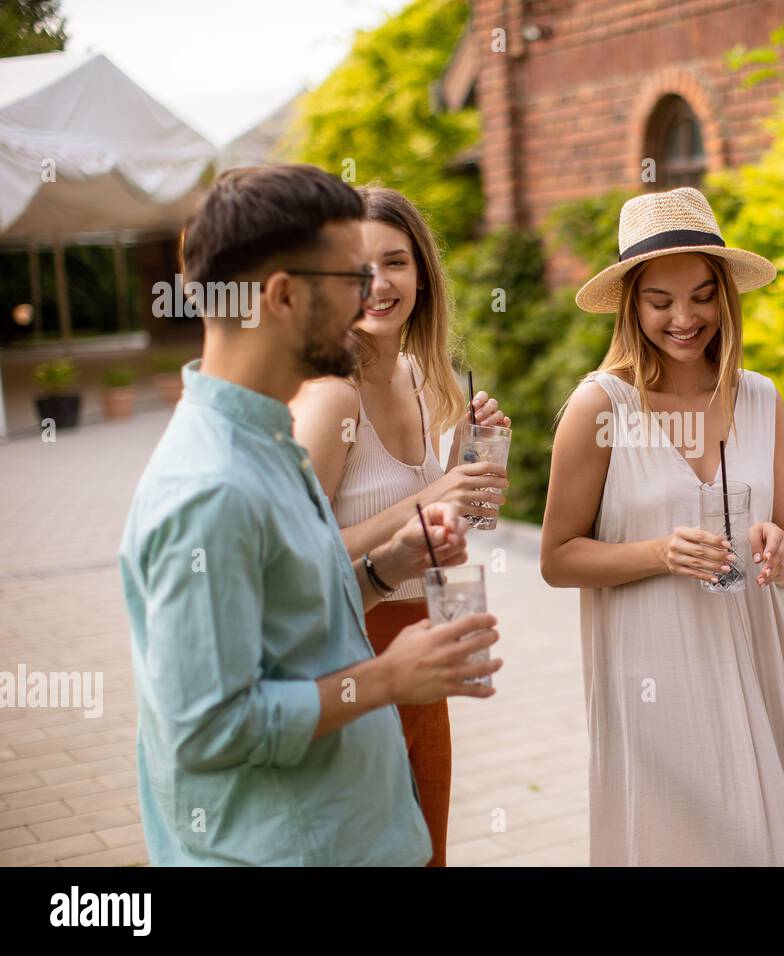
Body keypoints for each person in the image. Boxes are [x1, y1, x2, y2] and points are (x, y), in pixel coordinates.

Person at [119, 164, 501, 866]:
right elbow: (204, 732)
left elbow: (290, 620)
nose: (370, 295)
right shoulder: (212, 488)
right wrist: (387, 680)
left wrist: (389, 567)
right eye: (349, 278)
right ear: (285, 295)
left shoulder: (266, 442)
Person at [540, 187, 784, 866]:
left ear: (726, 296)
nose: (685, 318)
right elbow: (557, 559)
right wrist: (659, 552)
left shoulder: (761, 398)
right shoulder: (598, 407)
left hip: (757, 663)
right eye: (660, 300)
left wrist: (781, 549)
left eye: (703, 295)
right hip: (653, 677)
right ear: (631, 305)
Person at [291, 184, 511, 866]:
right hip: (355, 654)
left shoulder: (421, 375)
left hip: (421, 651)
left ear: (422, 273)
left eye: (396, 262)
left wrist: (465, 473)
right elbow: (300, 554)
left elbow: (435, 531)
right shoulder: (330, 398)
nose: (378, 284)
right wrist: (434, 492)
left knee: (427, 851)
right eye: (358, 268)